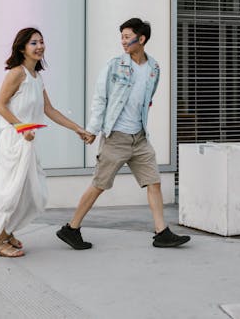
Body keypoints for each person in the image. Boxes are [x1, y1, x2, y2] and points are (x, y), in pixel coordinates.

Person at [56, 18, 191, 249]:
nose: (123, 41)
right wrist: (92, 130)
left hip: (139, 138)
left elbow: (147, 100)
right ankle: (71, 228)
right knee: (99, 184)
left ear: (142, 39)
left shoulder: (154, 69)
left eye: (127, 37)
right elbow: (101, 99)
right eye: (122, 37)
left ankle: (162, 232)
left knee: (154, 182)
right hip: (116, 137)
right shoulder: (114, 65)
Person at [0, 27, 90, 257]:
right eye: (33, 43)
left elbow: (49, 110)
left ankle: (6, 231)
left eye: (41, 42)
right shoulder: (16, 73)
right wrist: (22, 128)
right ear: (22, 47)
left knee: (30, 192)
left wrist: (77, 129)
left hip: (27, 141)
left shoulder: (36, 77)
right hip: (14, 140)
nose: (40, 46)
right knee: (13, 191)